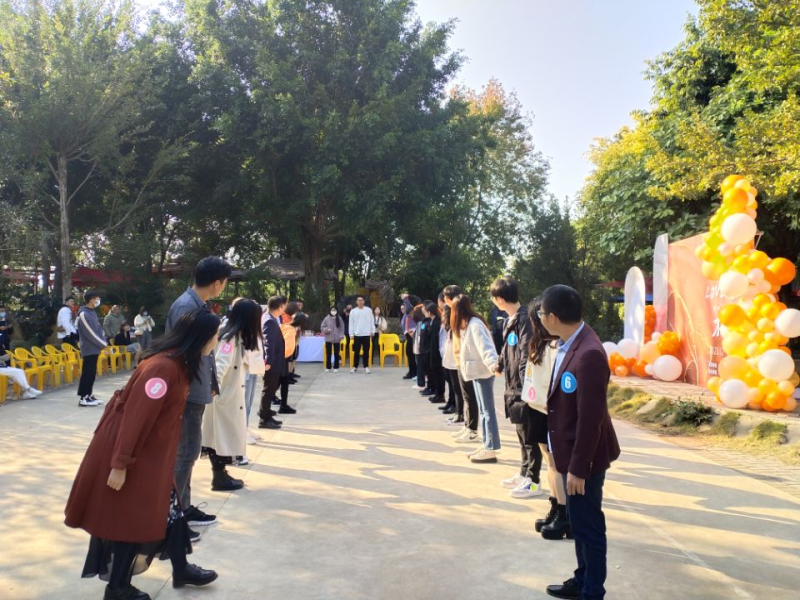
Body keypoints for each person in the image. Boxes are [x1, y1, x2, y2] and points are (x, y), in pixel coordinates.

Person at [64, 308, 220, 600]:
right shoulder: (163, 369)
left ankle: (181, 568)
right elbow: (136, 418)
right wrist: (120, 464)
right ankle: (117, 588)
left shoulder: (178, 363)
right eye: (215, 335)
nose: (217, 340)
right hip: (135, 455)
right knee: (132, 518)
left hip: (151, 454)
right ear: (201, 337)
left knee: (170, 509)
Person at [540, 285, 620, 600]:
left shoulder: (589, 354)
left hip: (584, 458)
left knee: (588, 527)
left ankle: (592, 592)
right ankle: (582, 578)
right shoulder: (571, 342)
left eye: (541, 313)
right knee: (579, 523)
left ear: (553, 317)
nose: (540, 318)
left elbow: (591, 418)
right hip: (571, 452)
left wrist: (578, 468)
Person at [166, 256, 232, 532]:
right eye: (224, 282)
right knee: (186, 452)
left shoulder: (197, 305)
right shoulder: (186, 307)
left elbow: (204, 353)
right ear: (217, 283)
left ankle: (183, 506)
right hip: (186, 391)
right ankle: (173, 516)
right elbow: (183, 353)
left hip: (195, 387)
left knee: (190, 450)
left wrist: (211, 382)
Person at [202, 299, 262, 491]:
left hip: (228, 395)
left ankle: (221, 473)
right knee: (219, 438)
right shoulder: (230, 339)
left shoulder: (237, 336)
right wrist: (214, 391)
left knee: (223, 437)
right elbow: (220, 365)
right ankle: (218, 477)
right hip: (224, 397)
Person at [491, 277, 541, 499]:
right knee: (521, 433)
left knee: (530, 436)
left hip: (522, 387)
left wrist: (524, 386)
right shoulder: (510, 320)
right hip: (512, 384)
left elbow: (525, 355)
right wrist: (499, 364)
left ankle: (533, 480)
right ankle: (523, 472)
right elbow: (506, 348)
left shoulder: (525, 319)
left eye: (493, 298)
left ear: (500, 299)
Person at [525, 297, 569, 540]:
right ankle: (555, 506)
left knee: (556, 465)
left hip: (549, 411)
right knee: (550, 464)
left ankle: (564, 514)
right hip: (537, 409)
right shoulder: (540, 344)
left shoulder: (556, 347)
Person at [452, 294, 501, 463]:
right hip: (478, 372)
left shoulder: (475, 325)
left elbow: (485, 347)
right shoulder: (470, 324)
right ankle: (487, 444)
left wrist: (494, 365)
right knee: (483, 411)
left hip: (483, 372)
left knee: (487, 411)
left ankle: (491, 448)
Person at [443, 285, 480, 444]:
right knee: (466, 396)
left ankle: (472, 430)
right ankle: (467, 426)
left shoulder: (471, 322)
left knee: (470, 397)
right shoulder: (456, 316)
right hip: (459, 361)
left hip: (466, 363)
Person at [259, 295, 286, 429]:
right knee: (268, 390)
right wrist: (268, 361)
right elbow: (268, 343)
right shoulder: (269, 320)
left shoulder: (270, 318)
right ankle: (264, 419)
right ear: (279, 307)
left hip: (275, 361)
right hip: (272, 362)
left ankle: (267, 414)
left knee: (271, 389)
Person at [77, 291, 108, 407]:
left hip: (95, 348)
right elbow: (90, 333)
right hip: (89, 348)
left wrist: (103, 341)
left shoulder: (92, 312)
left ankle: (89, 394)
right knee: (87, 372)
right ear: (91, 299)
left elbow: (98, 329)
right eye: (97, 298)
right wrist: (103, 344)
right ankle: (83, 397)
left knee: (92, 373)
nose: (98, 301)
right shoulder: (83, 314)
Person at [423, 300, 445, 403]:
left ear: (430, 312)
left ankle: (440, 395)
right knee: (435, 374)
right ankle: (437, 394)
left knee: (438, 375)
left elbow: (436, 340)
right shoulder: (432, 321)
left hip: (436, 352)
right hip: (432, 351)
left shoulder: (436, 322)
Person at [349, 296, 375, 373]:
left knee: (366, 351)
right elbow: (351, 323)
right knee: (356, 351)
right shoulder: (353, 311)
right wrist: (351, 334)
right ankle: (355, 366)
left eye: (361, 300)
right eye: (358, 300)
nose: (360, 302)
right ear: (356, 302)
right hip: (357, 334)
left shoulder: (368, 310)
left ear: (363, 301)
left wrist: (373, 330)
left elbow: (372, 321)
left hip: (366, 334)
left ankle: (366, 366)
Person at [321, 306, 345, 372]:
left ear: (336, 311)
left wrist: (341, 336)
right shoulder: (326, 318)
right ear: (330, 311)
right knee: (328, 353)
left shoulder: (339, 318)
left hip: (337, 339)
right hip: (328, 338)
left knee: (336, 353)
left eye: (334, 310)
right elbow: (322, 327)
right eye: (332, 310)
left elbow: (342, 328)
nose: (333, 311)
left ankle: (336, 367)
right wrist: (326, 330)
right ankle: (328, 367)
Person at [411, 304, 428, 391]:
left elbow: (419, 337)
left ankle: (421, 384)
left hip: (419, 349)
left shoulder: (421, 324)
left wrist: (418, 348)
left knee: (420, 367)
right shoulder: (420, 323)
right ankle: (420, 382)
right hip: (419, 349)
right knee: (420, 366)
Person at [400, 297, 416, 380]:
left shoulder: (408, 315)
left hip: (412, 336)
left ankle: (413, 372)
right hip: (408, 337)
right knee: (409, 354)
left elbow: (409, 305)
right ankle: (412, 371)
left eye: (404, 308)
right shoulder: (405, 316)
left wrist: (405, 298)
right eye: (401, 309)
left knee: (411, 355)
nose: (403, 310)